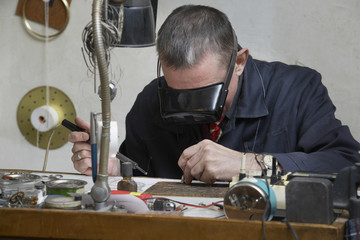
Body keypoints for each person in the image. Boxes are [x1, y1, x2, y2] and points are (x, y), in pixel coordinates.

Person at [69, 5, 360, 184]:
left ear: (239, 62)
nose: (192, 108)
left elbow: (346, 162)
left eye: (205, 94)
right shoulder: (152, 100)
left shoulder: (296, 90)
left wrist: (250, 164)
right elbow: (140, 178)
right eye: (178, 95)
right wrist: (113, 169)